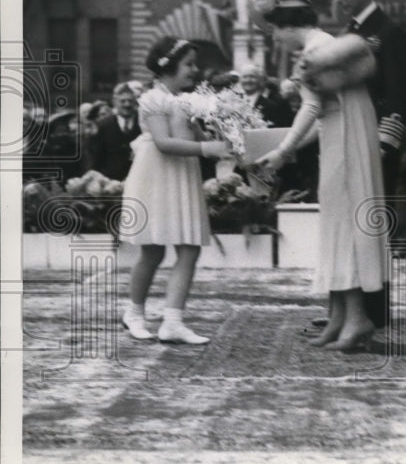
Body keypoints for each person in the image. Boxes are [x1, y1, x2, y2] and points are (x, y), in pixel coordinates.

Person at [255, 0, 386, 351]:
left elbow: (311, 109)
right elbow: (325, 116)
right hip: (346, 138)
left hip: (344, 146)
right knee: (338, 226)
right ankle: (340, 318)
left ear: (285, 27)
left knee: (343, 228)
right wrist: (287, 147)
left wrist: (282, 151)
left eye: (274, 33)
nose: (275, 41)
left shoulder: (313, 56)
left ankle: (357, 319)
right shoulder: (328, 44)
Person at [119, 37, 233, 344]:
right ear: (168, 67)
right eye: (189, 64)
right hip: (156, 173)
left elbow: (194, 134)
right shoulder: (152, 99)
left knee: (188, 247)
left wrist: (218, 128)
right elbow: (164, 142)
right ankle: (134, 313)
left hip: (183, 173)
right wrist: (208, 147)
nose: (194, 70)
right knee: (152, 249)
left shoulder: (187, 100)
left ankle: (173, 321)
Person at [320, 0, 406, 329]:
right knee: (350, 226)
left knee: (372, 226)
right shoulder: (349, 32)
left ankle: (374, 313)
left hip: (375, 146)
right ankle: (350, 312)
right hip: (350, 141)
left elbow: (399, 96)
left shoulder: (388, 33)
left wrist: (383, 146)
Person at [89, 82, 142, 180]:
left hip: (138, 180)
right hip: (110, 183)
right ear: (115, 102)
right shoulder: (103, 125)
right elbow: (96, 158)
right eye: (123, 101)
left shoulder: (143, 124)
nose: (127, 104)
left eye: (130, 101)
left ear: (135, 102)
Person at [238, 63, 293, 128]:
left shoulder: (272, 107)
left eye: (252, 77)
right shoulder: (232, 103)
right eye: (245, 77)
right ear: (240, 80)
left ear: (259, 80)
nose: (248, 80)